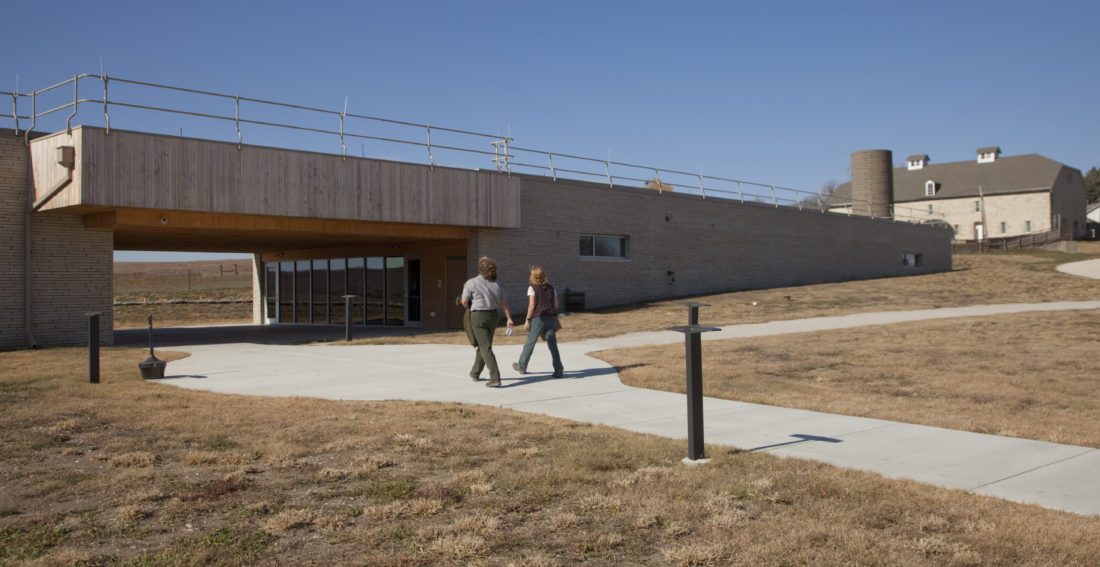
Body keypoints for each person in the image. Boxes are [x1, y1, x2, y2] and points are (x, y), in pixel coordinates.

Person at [461, 257, 514, 387]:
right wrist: (509, 318)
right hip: (493, 317)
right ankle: (475, 372)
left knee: (485, 347)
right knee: (484, 345)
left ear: (480, 269)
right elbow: (504, 303)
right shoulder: (498, 284)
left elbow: (464, 302)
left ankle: (495, 378)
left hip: (478, 317)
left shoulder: (471, 283)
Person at [512, 267, 564, 378]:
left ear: (533, 277)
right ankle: (559, 369)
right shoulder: (551, 288)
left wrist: (527, 320)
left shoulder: (532, 288)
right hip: (551, 318)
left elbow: (531, 306)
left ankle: (522, 366)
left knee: (530, 343)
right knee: (553, 345)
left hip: (538, 319)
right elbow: (556, 305)